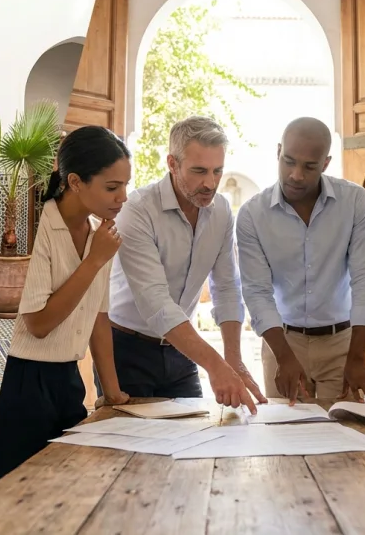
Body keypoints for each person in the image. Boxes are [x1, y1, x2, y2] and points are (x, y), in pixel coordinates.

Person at [0, 125, 132, 490]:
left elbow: (98, 316)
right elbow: (38, 324)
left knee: (59, 492)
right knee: (13, 496)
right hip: (26, 382)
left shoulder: (100, 237)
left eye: (126, 185)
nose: (123, 197)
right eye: (112, 187)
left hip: (68, 381)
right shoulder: (44, 228)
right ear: (76, 182)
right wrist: (93, 261)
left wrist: (111, 393)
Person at [103, 115, 266, 413]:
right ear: (172, 164)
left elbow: (227, 287)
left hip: (181, 354)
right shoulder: (137, 210)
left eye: (217, 170)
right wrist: (215, 366)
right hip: (125, 351)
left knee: (192, 446)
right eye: (199, 171)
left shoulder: (221, 212)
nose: (210, 183)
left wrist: (233, 360)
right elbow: (156, 303)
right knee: (132, 454)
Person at [236, 117, 365, 405]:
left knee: (345, 440)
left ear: (326, 163)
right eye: (289, 161)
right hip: (282, 341)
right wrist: (283, 356)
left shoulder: (354, 201)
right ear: (278, 151)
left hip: (342, 342)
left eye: (309, 166)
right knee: (286, 439)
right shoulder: (252, 215)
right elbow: (256, 292)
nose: (296, 175)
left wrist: (356, 357)